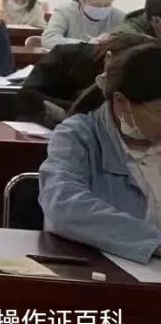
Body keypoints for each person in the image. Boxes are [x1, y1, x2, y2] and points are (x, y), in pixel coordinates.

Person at [39, 43, 161, 264]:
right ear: (121, 103)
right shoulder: (78, 136)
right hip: (105, 272)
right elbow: (63, 205)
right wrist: (154, 242)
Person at [18, 33, 155, 128]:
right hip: (43, 127)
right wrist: (81, 111)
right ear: (108, 58)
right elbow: (28, 96)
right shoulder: (65, 56)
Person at [42, 0, 125, 48]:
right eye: (96, 5)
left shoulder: (120, 17)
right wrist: (86, 44)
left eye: (107, 5)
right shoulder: (65, 11)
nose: (102, 9)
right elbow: (49, 39)